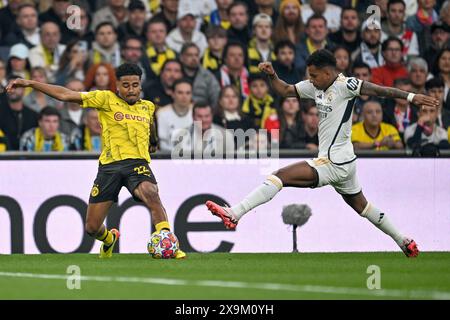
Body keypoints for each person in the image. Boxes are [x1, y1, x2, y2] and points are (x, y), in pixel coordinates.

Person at [205, 49, 440, 258]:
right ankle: (403, 241)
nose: (311, 79)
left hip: (333, 161)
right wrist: (271, 75)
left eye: (315, 75)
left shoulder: (346, 86)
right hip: (345, 163)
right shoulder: (315, 86)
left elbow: (379, 90)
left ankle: (234, 213)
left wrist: (411, 97)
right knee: (363, 207)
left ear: (328, 73)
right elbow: (286, 90)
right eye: (310, 75)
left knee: (279, 176)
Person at [5, 63, 187, 259]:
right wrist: (30, 83)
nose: (131, 89)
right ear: (117, 85)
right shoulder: (105, 99)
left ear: (140, 85)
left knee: (152, 193)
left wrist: (153, 141)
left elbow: (150, 125)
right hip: (109, 168)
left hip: (137, 164)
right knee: (92, 227)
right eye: (126, 85)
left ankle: (169, 243)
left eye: (135, 85)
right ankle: (109, 239)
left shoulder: (148, 107)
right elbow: (66, 95)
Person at [156, 78, 194, 151]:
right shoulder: (162, 114)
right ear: (172, 94)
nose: (184, 96)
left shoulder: (199, 112)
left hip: (194, 158)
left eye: (188, 93)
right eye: (180, 92)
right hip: (169, 158)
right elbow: (163, 144)